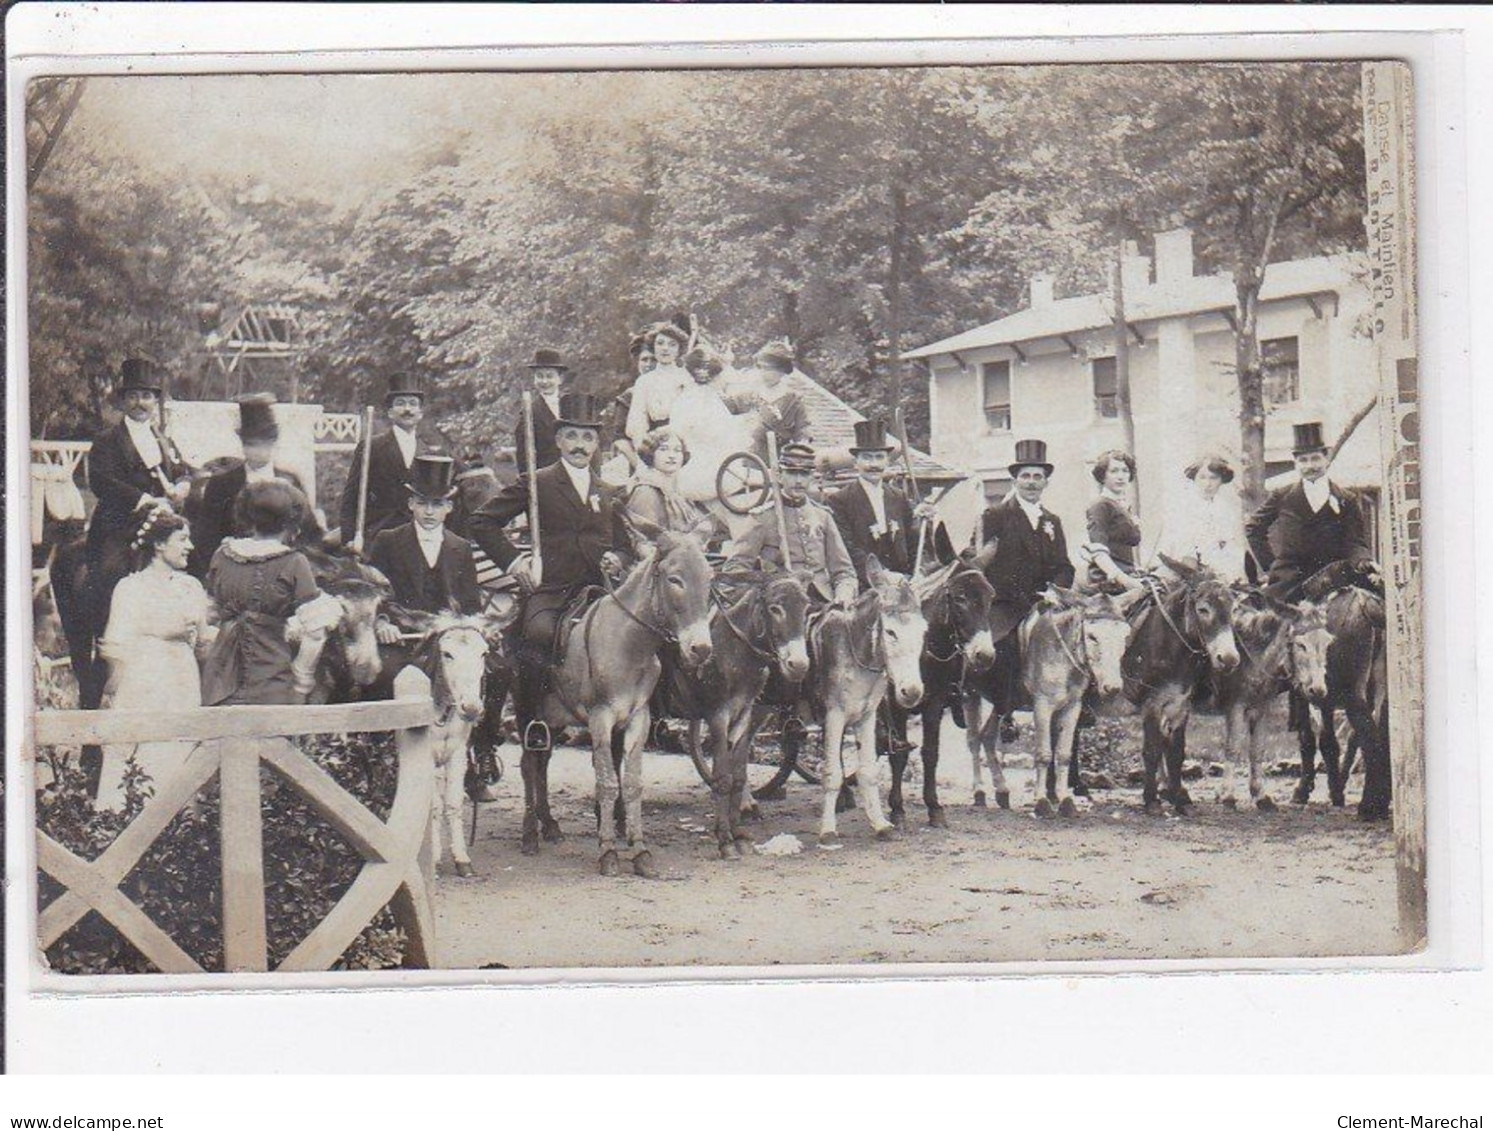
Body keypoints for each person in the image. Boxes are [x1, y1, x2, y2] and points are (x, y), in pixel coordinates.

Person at [469, 393, 631, 758]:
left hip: (601, 590)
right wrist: (515, 563)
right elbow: (482, 522)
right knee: (537, 634)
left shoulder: (608, 491)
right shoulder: (537, 482)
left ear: (597, 444)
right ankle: (535, 720)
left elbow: (625, 545)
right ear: (558, 440)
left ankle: (645, 716)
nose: (580, 445)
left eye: (588, 437)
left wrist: (617, 559)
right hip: (552, 589)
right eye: (572, 436)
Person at [94, 506, 213, 811]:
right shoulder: (131, 587)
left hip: (183, 676)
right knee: (144, 745)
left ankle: (179, 823)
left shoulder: (191, 587)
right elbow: (116, 645)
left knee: (180, 743)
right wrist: (113, 693)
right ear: (159, 545)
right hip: (144, 676)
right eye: (182, 539)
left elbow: (203, 642)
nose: (190, 547)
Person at [83, 358, 193, 656]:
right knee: (110, 572)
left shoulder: (163, 439)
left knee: (191, 563)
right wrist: (143, 500)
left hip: (162, 524)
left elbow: (183, 469)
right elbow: (101, 481)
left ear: (155, 400)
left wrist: (183, 485)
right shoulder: (107, 440)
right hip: (120, 523)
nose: (140, 403)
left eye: (146, 396)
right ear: (123, 401)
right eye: (132, 396)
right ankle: (105, 640)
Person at [202, 480, 339, 706]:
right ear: (291, 524)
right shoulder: (294, 562)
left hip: (219, 678)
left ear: (248, 518)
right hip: (272, 679)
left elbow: (209, 614)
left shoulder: (223, 555)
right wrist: (301, 680)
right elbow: (316, 632)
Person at [978, 439, 1076, 711]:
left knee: (1075, 638)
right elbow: (980, 560)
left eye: (1038, 477)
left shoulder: (1052, 521)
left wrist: (1055, 591)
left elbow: (1064, 565)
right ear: (1015, 480)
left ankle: (1076, 702)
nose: (1031, 482)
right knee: (1005, 648)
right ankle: (1005, 709)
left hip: (1044, 602)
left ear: (1046, 482)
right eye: (1025, 476)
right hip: (1006, 603)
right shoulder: (995, 516)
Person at [188, 393, 319, 578]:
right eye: (251, 444)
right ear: (242, 444)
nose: (257, 452)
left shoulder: (290, 481)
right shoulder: (222, 484)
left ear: (273, 442)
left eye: (263, 444)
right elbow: (206, 537)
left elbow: (309, 534)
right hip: (235, 570)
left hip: (284, 572)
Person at [1245, 422, 1375, 599]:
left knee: (1371, 608)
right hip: (1290, 579)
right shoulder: (1282, 496)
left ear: (1326, 459)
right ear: (1295, 463)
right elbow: (1253, 528)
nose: (1309, 465)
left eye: (1315, 458)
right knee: (1263, 616)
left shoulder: (1347, 499)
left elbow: (1355, 542)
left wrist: (1362, 561)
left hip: (1335, 576)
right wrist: (1272, 566)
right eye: (1303, 460)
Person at [725, 441, 858, 606]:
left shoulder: (822, 516)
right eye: (792, 473)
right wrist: (766, 585)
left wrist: (844, 593)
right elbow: (735, 569)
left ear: (811, 477)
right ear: (779, 476)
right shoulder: (762, 518)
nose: (799, 481)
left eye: (804, 474)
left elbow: (844, 571)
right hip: (779, 605)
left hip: (822, 601)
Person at [338, 372, 454, 552]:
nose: (407, 409)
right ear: (390, 412)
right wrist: (349, 538)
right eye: (400, 403)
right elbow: (351, 496)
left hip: (418, 536)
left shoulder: (429, 451)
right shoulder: (371, 447)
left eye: (413, 404)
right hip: (377, 534)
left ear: (420, 413)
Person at [370, 457, 482, 630]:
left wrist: (476, 627)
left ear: (449, 507)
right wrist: (382, 621)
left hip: (447, 638)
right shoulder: (388, 540)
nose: (429, 512)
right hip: (400, 636)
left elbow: (471, 604)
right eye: (422, 503)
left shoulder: (461, 547)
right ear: (411, 504)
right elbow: (372, 592)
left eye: (437, 505)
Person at [827, 419, 934, 585]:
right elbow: (848, 549)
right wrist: (882, 576)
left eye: (879, 457)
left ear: (887, 461)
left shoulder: (899, 497)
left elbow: (914, 543)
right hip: (865, 584)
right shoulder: (840, 500)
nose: (874, 464)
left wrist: (918, 572)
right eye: (867, 458)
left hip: (904, 582)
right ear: (856, 463)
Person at [1158, 453, 1247, 582]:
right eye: (1202, 478)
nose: (1208, 484)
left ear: (1221, 480)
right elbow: (1180, 544)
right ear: (1194, 479)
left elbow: (1227, 543)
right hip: (1183, 565)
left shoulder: (1224, 508)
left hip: (1216, 565)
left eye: (1213, 478)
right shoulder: (1183, 506)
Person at [624, 428, 710, 540]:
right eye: (664, 449)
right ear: (650, 453)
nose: (671, 456)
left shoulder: (676, 489)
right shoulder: (646, 491)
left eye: (678, 450)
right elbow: (645, 540)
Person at [1082, 448, 1145, 593]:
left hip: (1128, 574)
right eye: (1114, 471)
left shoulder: (1122, 506)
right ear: (1102, 475)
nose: (1121, 476)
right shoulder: (1100, 505)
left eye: (1125, 471)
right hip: (1107, 580)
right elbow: (1099, 552)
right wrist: (1125, 579)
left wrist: (1135, 571)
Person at [624, 322, 692, 447]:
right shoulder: (644, 381)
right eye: (660, 343)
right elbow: (637, 420)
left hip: (686, 440)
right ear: (653, 347)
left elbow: (693, 415)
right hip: (655, 443)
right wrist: (645, 447)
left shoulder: (687, 379)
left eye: (672, 345)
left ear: (678, 350)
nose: (665, 348)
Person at [513, 348, 567, 474]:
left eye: (549, 376)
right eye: (540, 376)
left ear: (560, 379)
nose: (544, 381)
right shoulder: (529, 413)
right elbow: (523, 457)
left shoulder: (570, 405)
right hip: (545, 480)